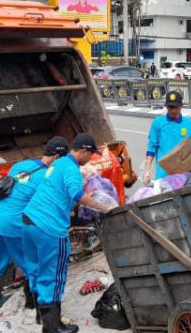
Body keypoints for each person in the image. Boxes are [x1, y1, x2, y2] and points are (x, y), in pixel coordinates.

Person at [21, 133, 116, 333]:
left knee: (37, 271)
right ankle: (52, 327)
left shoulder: (58, 164)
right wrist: (103, 207)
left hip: (29, 221)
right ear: (83, 151)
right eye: (91, 154)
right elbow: (77, 195)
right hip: (49, 228)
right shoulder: (72, 168)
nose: (91, 158)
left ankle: (41, 315)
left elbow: (63, 195)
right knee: (54, 276)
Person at [0, 137, 70, 313]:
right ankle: (31, 304)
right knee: (32, 264)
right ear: (57, 157)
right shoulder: (48, 177)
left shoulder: (21, 165)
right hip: (15, 226)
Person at [143, 91, 191, 183]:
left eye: (176, 107)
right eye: (170, 107)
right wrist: (147, 170)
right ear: (166, 106)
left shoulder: (189, 123)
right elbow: (152, 147)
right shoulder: (158, 122)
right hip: (163, 175)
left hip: (182, 174)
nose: (173, 110)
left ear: (181, 106)